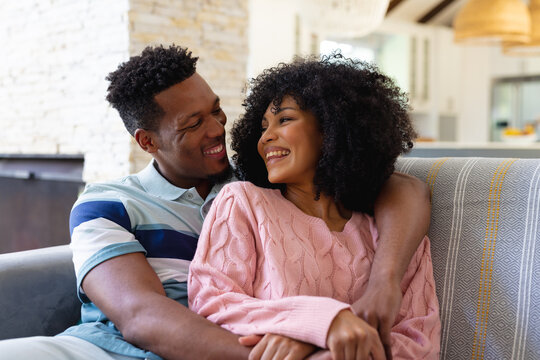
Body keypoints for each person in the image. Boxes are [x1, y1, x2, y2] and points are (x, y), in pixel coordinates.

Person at [0, 46, 431, 360]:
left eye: (216, 110)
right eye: (193, 123)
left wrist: (384, 280)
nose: (216, 130)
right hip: (108, 350)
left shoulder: (264, 183)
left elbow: (406, 189)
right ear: (147, 141)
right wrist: (304, 340)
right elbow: (141, 318)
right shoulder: (107, 203)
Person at [188, 54, 441, 360]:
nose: (266, 136)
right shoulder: (242, 203)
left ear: (331, 128)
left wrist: (316, 342)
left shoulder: (392, 234)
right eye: (264, 126)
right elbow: (211, 302)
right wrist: (323, 324)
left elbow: (419, 343)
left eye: (285, 120)